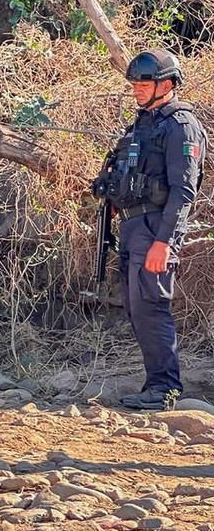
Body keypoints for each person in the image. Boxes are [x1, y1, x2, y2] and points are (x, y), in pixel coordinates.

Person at [92, 49, 206, 410]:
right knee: (135, 306)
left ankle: (165, 389)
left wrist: (165, 242)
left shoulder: (181, 126)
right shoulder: (142, 124)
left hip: (155, 228)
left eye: (144, 83)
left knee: (152, 306)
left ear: (168, 84)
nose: (137, 89)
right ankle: (154, 384)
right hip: (131, 226)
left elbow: (184, 191)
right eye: (135, 84)